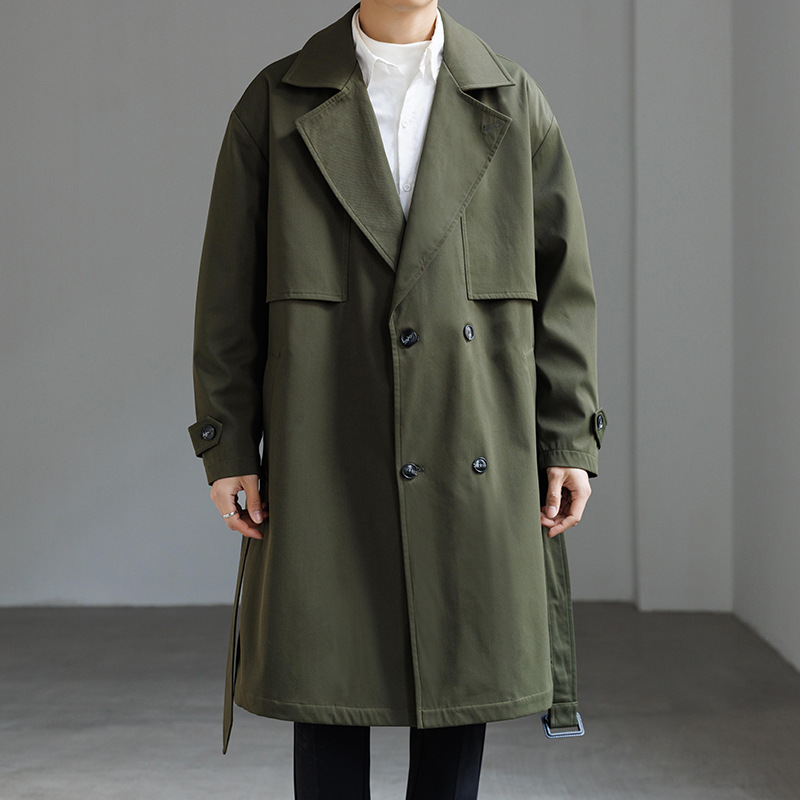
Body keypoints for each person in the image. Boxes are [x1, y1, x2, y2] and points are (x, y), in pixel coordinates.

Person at [189, 1, 605, 797]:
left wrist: (568, 440)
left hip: (472, 437)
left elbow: (564, 293)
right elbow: (227, 297)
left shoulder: (512, 101)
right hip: (324, 442)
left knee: (458, 690)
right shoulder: (276, 104)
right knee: (327, 689)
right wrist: (227, 443)